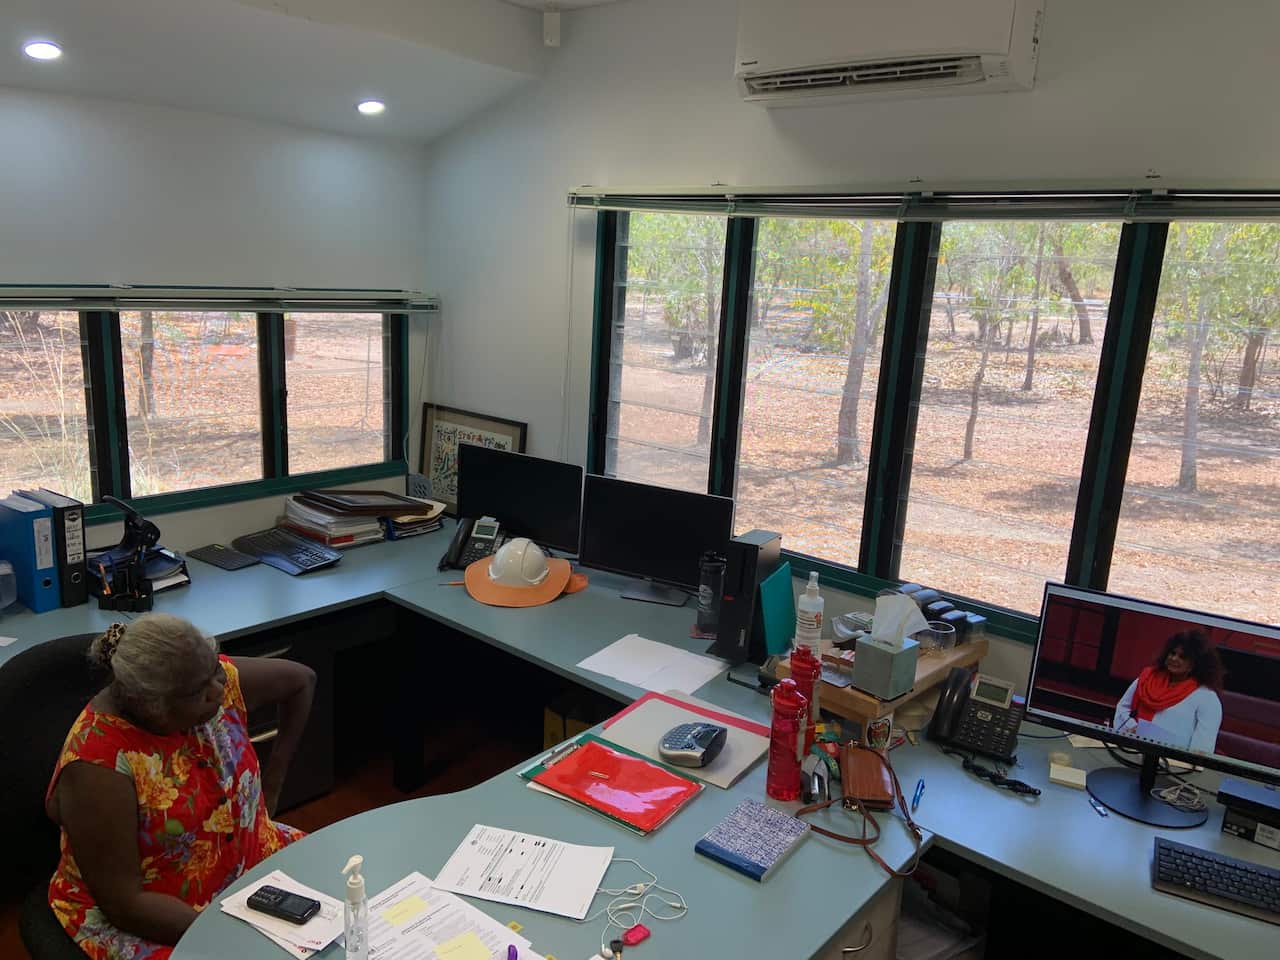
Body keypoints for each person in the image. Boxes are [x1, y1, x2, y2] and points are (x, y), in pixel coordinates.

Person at [45, 614, 317, 960]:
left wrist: (274, 783)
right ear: (152, 704)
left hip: (247, 857)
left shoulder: (204, 680)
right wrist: (227, 939)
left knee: (352, 909)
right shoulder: (97, 767)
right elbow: (125, 904)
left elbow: (302, 680)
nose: (220, 690)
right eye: (201, 691)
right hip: (160, 912)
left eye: (214, 672)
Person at [1113, 629, 1224, 754]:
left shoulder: (1207, 698)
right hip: (1130, 750)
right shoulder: (1147, 678)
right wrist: (1131, 727)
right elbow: (1123, 707)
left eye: (1183, 657)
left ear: (1196, 663)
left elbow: (1202, 748)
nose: (1174, 658)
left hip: (1172, 765)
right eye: (1172, 653)